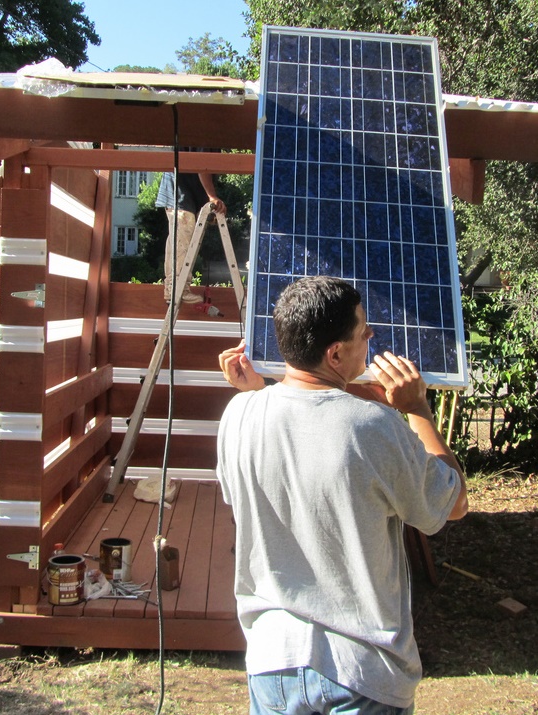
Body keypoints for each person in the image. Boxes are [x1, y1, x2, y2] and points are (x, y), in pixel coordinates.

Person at [216, 275, 468, 715]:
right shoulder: (373, 427)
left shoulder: (239, 414)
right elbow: (454, 503)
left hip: (272, 665)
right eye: (362, 330)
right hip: (362, 674)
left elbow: (296, 438)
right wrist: (417, 410)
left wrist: (256, 393)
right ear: (335, 353)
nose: (371, 335)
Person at [156, 168, 227, 304]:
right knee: (181, 243)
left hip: (181, 193)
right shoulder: (207, 146)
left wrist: (207, 207)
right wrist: (212, 197)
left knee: (178, 241)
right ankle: (177, 290)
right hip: (180, 195)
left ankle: (173, 289)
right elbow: (203, 166)